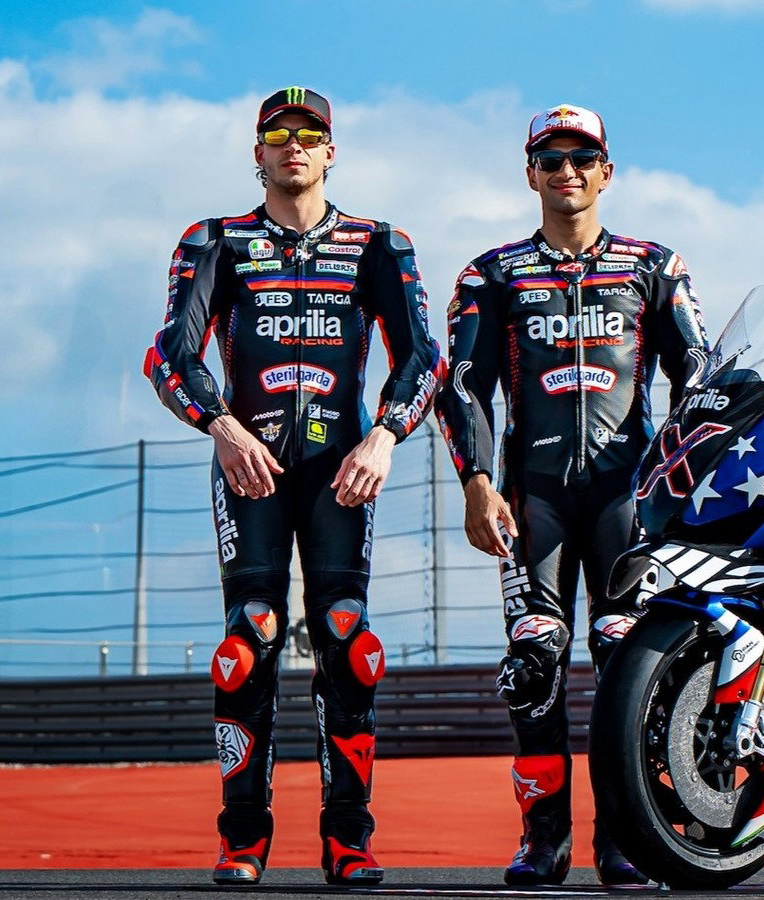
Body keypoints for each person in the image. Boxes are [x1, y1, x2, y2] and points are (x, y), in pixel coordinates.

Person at [143, 86, 442, 886]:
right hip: (252, 466)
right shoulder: (215, 240)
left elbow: (424, 357)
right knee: (247, 644)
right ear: (258, 152)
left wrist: (384, 434)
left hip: (343, 469)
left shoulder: (381, 243)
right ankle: (243, 839)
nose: (294, 146)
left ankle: (349, 838)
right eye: (278, 134)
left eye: (310, 134)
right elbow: (169, 356)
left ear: (331, 150)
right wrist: (223, 427)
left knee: (350, 639)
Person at [435, 103, 709, 886]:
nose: (567, 172)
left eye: (581, 158)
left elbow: (699, 371)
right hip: (535, 497)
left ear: (607, 171)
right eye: (550, 159)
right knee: (534, 658)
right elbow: (464, 389)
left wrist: (686, 467)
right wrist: (479, 484)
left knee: (629, 660)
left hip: (630, 497)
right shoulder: (491, 272)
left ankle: (626, 834)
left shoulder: (655, 265)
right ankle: (543, 837)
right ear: (530, 174)